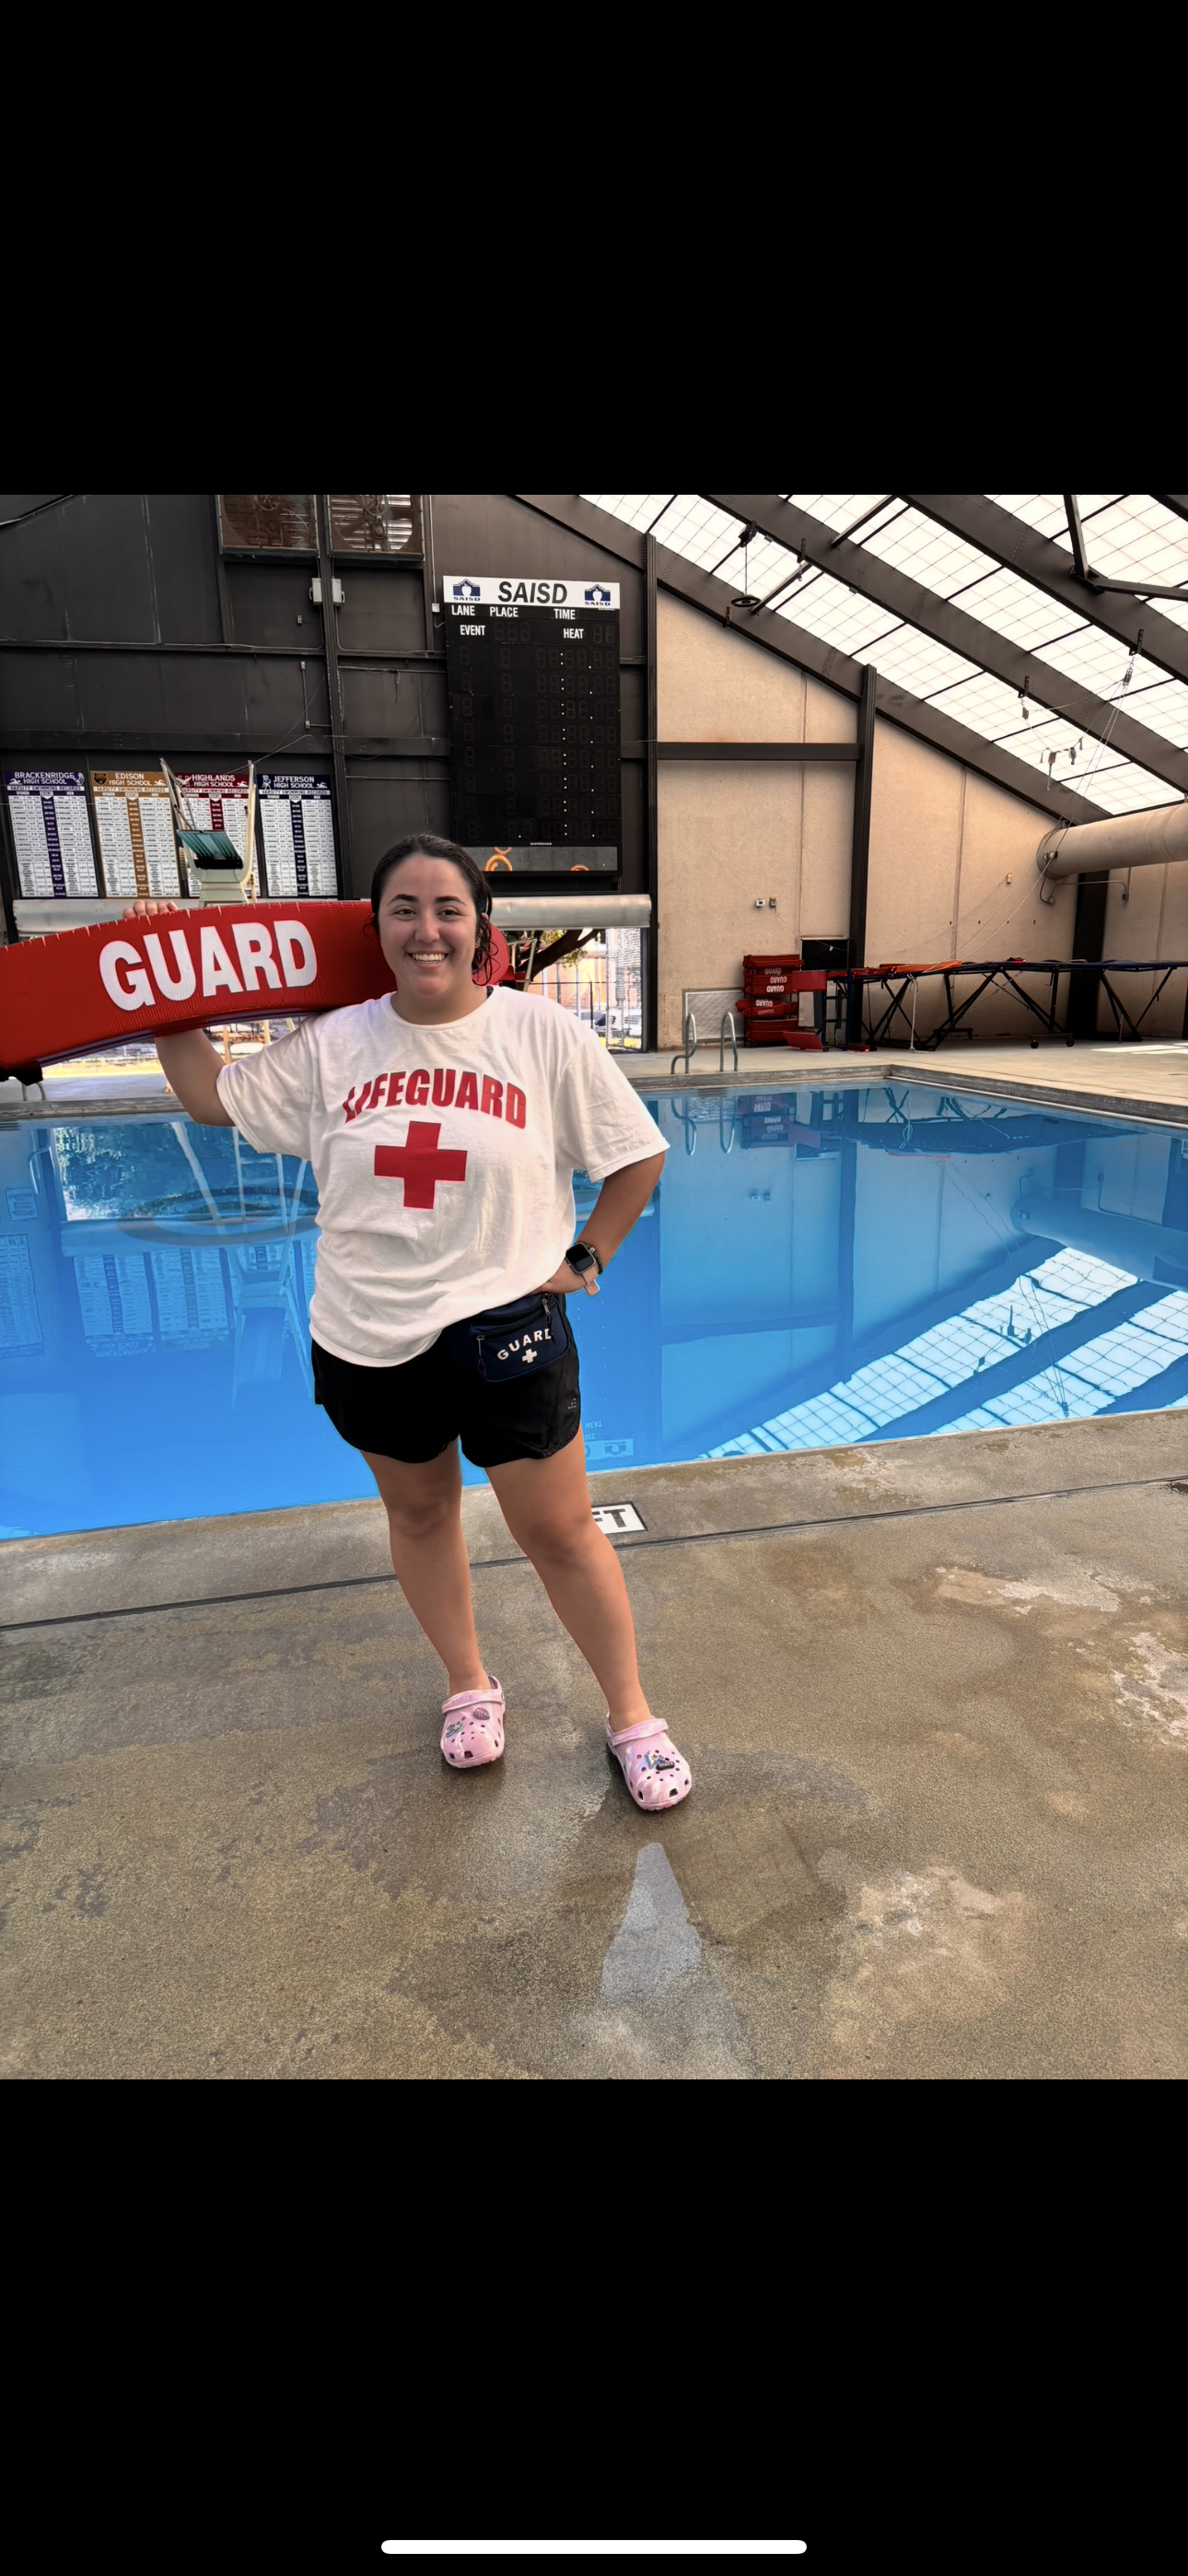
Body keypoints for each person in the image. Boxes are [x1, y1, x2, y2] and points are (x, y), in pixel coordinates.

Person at [136, 836, 692, 1810]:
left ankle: (633, 1716)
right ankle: (469, 1687)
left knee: (559, 1531)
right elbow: (211, 1098)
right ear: (377, 928)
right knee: (422, 1514)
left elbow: (635, 1152)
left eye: (447, 909)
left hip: (508, 1330)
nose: (426, 929)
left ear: (480, 928)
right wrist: (162, 989)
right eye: (405, 908)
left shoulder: (540, 1034)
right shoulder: (337, 1043)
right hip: (368, 1332)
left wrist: (588, 1256)